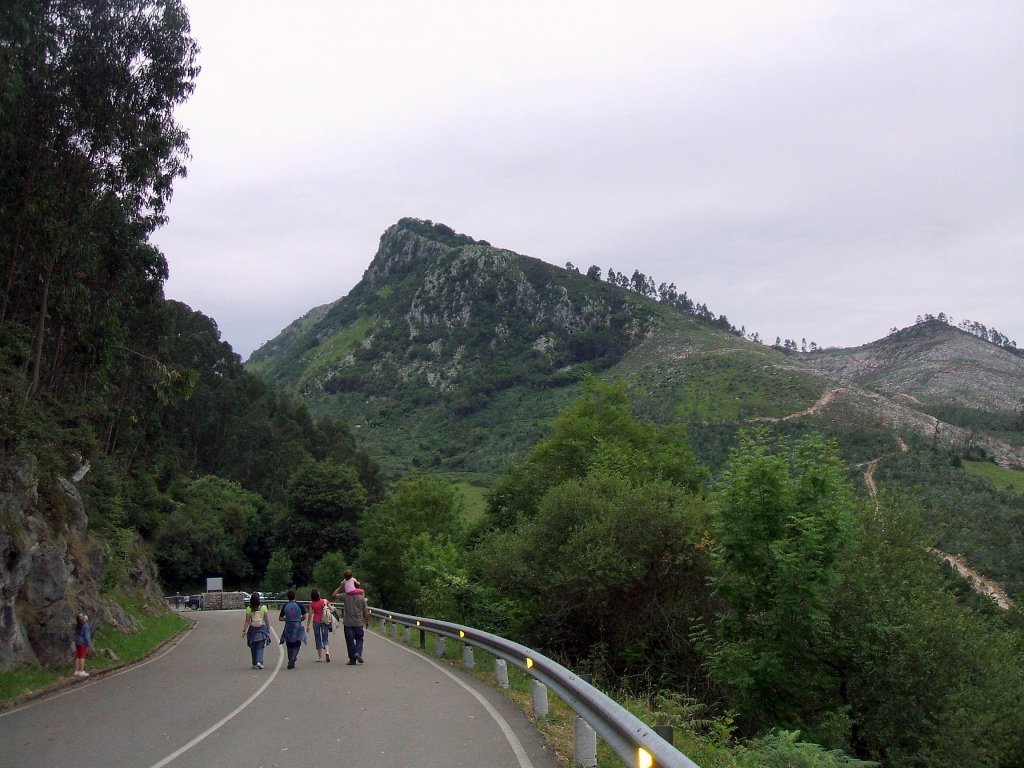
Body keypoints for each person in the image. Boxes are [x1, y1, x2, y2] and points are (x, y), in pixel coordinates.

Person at [339, 587, 369, 665]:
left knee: (350, 641)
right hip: (358, 623)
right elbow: (365, 610)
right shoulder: (361, 598)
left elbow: (334, 595)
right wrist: (367, 621)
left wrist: (340, 586)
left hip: (348, 623)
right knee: (359, 639)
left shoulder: (346, 596)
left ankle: (352, 660)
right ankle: (358, 652)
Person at [278, 589, 306, 669]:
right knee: (297, 643)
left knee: (289, 644)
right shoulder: (299, 605)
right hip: (297, 626)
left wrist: (286, 619)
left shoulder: (285, 606)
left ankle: (291, 660)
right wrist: (299, 620)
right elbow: (304, 616)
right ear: (295, 596)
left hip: (288, 626)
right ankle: (293, 659)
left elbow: (280, 618)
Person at [242, 592, 271, 669]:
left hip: (252, 630)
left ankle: (254, 662)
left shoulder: (249, 609)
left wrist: (244, 630)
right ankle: (259, 661)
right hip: (262, 629)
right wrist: (268, 628)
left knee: (253, 646)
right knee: (260, 646)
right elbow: (267, 619)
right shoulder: (263, 607)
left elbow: (247, 621)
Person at [305, 589, 333, 663]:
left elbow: (310, 615)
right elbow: (331, 609)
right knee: (325, 638)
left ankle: (320, 657)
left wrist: (307, 626)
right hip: (324, 621)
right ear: (318, 595)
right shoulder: (325, 601)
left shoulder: (311, 604)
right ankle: (327, 652)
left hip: (316, 622)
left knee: (317, 638)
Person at [73, 612, 93, 678]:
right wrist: (89, 644)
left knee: (78, 656)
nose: (86, 616)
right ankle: (81, 671)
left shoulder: (78, 625)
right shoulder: (86, 626)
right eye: (84, 616)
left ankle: (76, 670)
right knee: (82, 657)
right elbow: (87, 636)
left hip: (77, 641)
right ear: (83, 619)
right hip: (83, 643)